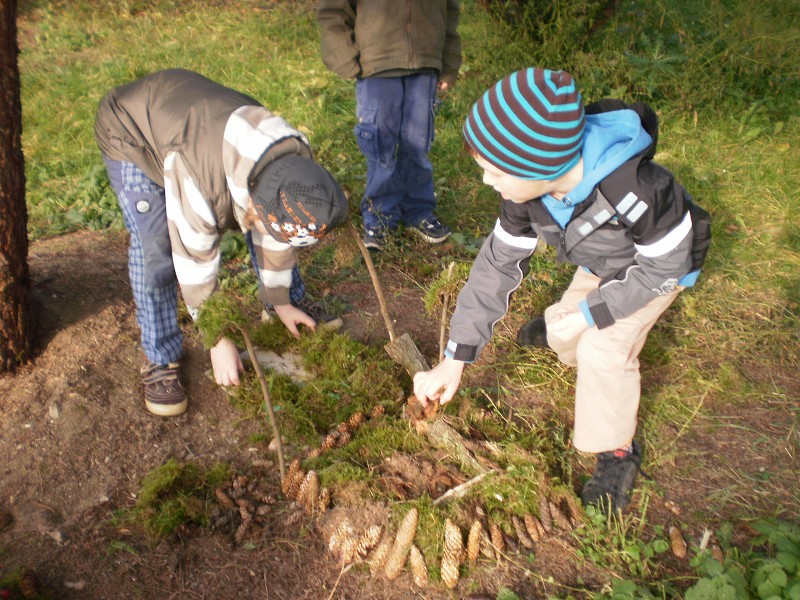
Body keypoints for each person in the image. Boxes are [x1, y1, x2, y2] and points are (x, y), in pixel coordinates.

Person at [413, 68, 711, 512]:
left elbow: (664, 266)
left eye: (494, 172)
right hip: (599, 266)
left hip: (654, 274)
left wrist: (595, 315)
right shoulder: (525, 195)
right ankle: (557, 329)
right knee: (564, 332)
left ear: (542, 167)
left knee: (602, 350)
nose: (485, 182)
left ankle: (616, 451)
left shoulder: (639, 190)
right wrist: (454, 360)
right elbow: (495, 266)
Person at [95, 69, 350, 417]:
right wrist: (218, 337)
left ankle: (282, 304)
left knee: (267, 228)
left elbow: (274, 230)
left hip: (193, 123)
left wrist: (279, 300)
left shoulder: (293, 168)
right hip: (132, 130)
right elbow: (192, 258)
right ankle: (161, 356)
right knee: (155, 244)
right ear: (252, 199)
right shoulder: (201, 181)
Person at [317, 0, 461, 250]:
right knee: (380, 146)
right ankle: (380, 217)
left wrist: (447, 64)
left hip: (425, 63)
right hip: (376, 65)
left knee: (418, 143)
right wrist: (344, 56)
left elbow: (449, 12)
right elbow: (333, 10)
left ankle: (418, 210)